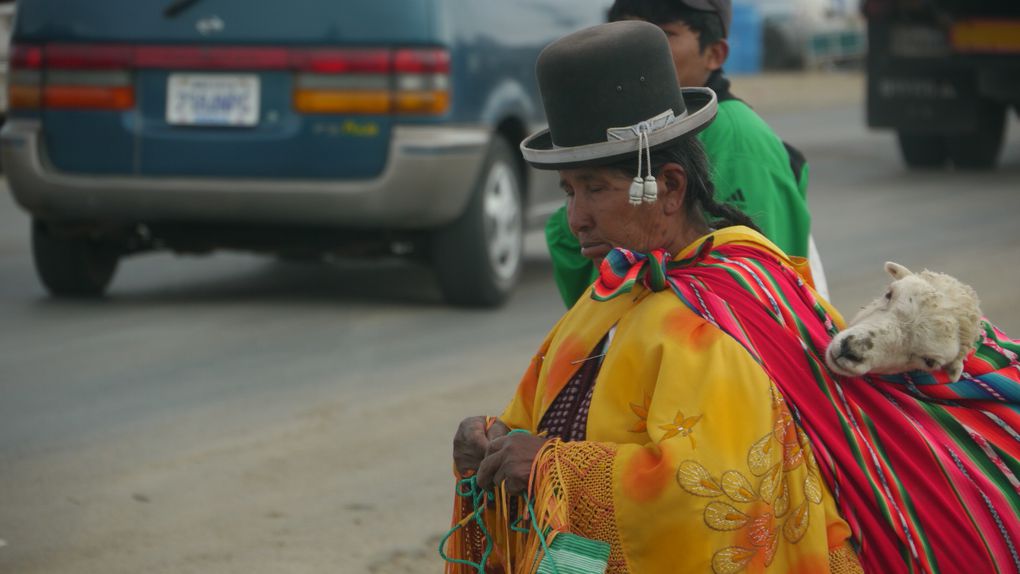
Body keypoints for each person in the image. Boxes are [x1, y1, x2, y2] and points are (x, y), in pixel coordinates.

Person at [445, 20, 1020, 574]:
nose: (576, 220)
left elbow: (718, 502)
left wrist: (549, 467)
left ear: (667, 187)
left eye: (596, 189)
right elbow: (553, 414)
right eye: (569, 191)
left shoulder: (717, 321)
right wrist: (495, 442)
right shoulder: (619, 286)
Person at [544, 0, 826, 308]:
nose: (577, 219)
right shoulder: (609, 148)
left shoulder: (736, 140)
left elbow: (756, 296)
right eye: (622, 37)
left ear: (715, 53)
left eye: (663, 36)